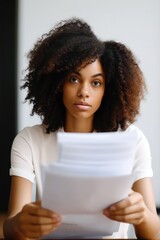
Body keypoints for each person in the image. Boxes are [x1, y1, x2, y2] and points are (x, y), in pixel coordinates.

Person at [3, 18, 160, 239]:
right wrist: (21, 223)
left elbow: (152, 234)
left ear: (108, 89)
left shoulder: (133, 140)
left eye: (96, 83)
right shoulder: (29, 140)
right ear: (57, 83)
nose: (84, 92)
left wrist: (142, 214)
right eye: (74, 79)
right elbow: (12, 228)